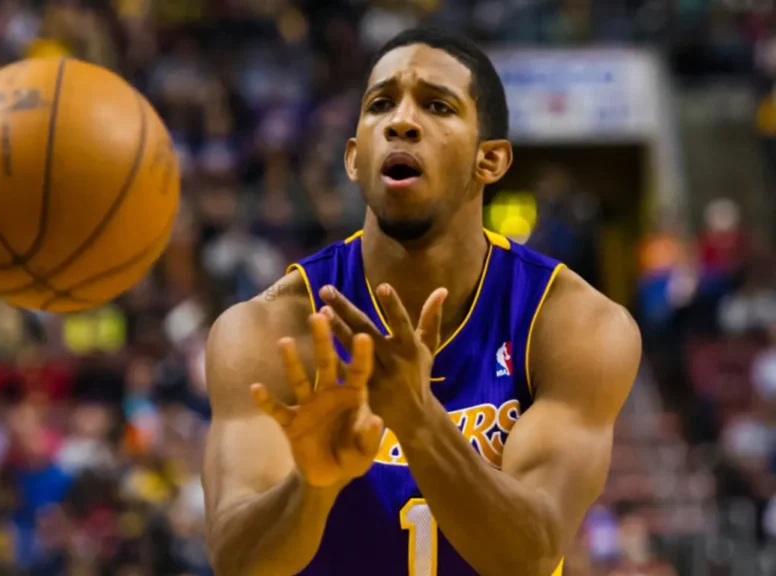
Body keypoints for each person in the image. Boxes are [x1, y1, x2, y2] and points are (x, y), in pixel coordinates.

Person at [202, 27, 641, 576]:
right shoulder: (269, 329)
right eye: (380, 103)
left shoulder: (571, 323)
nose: (401, 121)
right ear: (354, 158)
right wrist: (312, 488)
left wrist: (417, 421)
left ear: (492, 161)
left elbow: (530, 552)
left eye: (437, 105)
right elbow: (236, 561)